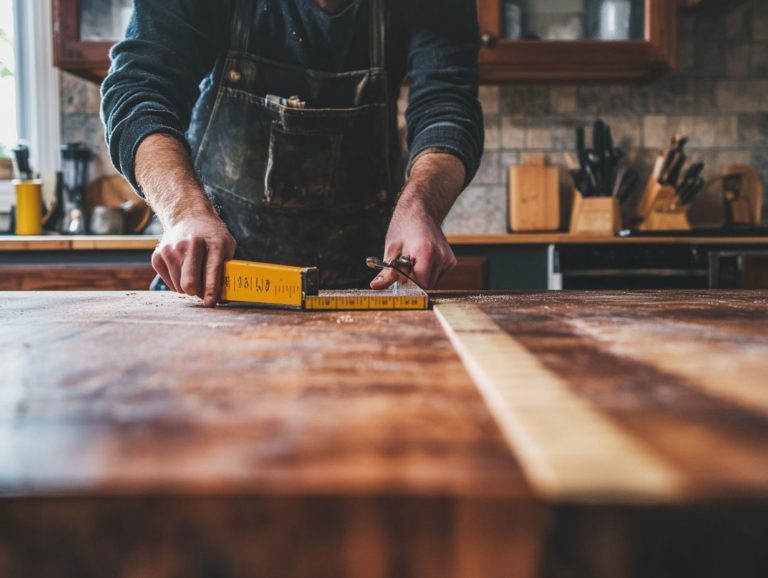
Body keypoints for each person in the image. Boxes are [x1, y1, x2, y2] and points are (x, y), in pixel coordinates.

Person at [102, 0, 484, 306]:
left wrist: (421, 208)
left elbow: (447, 104)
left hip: (367, 289)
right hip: (213, 285)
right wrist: (185, 212)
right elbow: (140, 92)